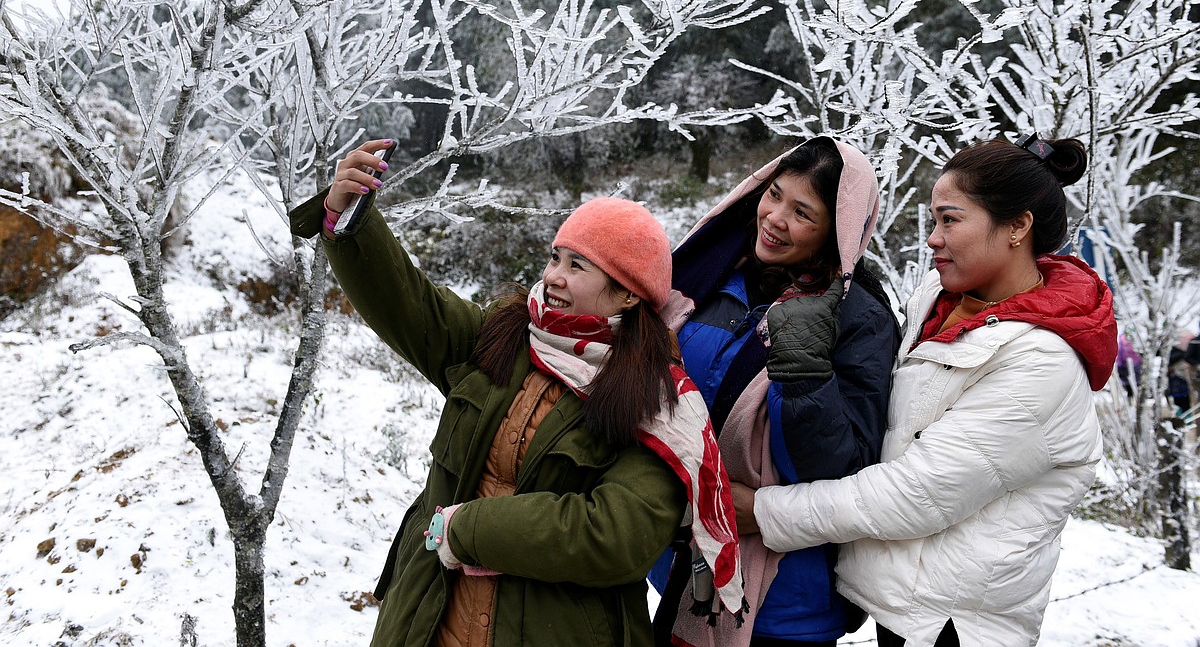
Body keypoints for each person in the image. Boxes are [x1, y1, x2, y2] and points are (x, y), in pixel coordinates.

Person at [288, 139, 744, 647]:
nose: (553, 276)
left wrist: (469, 530)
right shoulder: (506, 339)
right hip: (430, 619)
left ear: (629, 292)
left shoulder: (655, 402)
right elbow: (410, 303)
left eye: (578, 266)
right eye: (556, 257)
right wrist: (348, 219)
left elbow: (618, 535)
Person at [743, 133, 1118, 647]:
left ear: (1017, 226)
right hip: (906, 603)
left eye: (950, 219)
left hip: (958, 624)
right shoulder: (942, 302)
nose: (933, 239)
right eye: (933, 220)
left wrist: (762, 510)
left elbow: (915, 495)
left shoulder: (1041, 361)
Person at [649, 136, 901, 647]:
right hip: (684, 563)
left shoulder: (860, 320)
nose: (775, 217)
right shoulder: (714, 279)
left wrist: (804, 369)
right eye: (775, 194)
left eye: (802, 212)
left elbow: (844, 466)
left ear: (838, 231)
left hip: (785, 596)